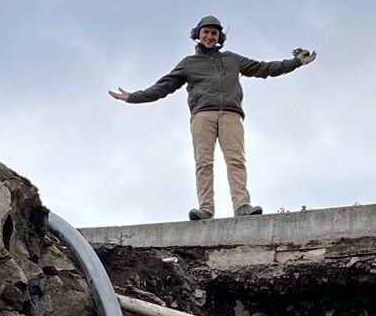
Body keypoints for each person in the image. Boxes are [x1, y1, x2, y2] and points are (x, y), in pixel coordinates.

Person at [110, 15, 317, 219]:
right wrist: (132, 97)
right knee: (204, 162)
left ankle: (242, 205)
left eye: (214, 33)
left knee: (236, 160)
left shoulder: (232, 59)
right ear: (198, 35)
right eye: (206, 32)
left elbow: (264, 68)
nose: (210, 36)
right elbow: (163, 87)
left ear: (219, 37)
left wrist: (296, 62)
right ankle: (206, 209)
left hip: (231, 114)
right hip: (203, 114)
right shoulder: (189, 63)